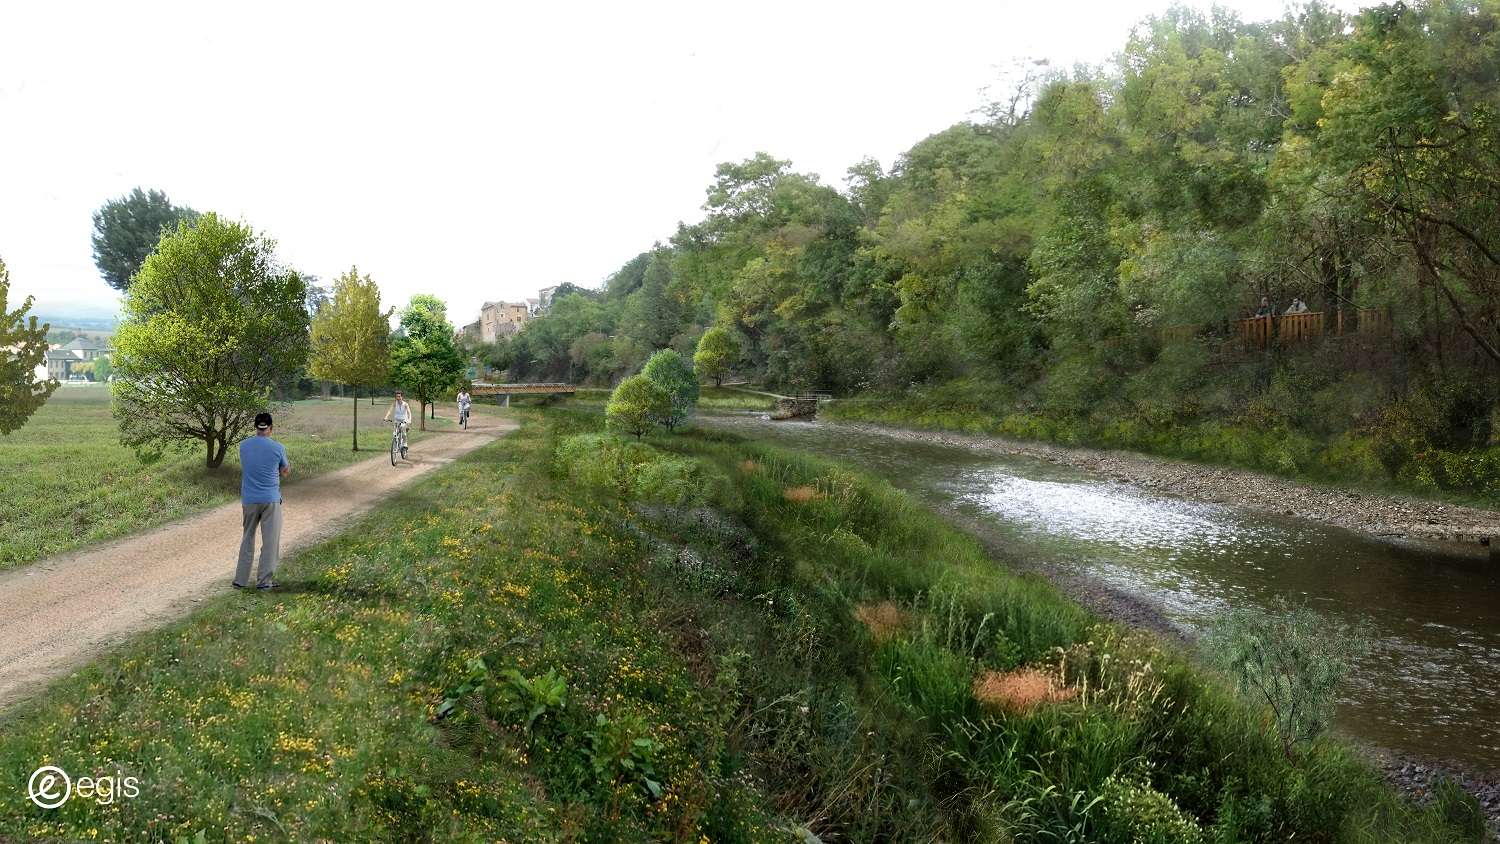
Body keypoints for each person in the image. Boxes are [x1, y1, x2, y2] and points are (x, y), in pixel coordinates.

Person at [234, 412, 290, 590]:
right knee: (270, 541)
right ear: (271, 428)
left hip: (249, 499)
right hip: (270, 500)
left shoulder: (243, 446)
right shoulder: (278, 448)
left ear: (256, 427)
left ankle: (240, 581)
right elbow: (285, 471)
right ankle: (264, 582)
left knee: (247, 537)